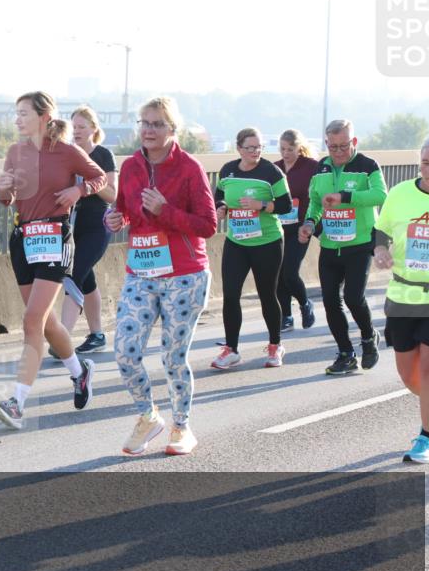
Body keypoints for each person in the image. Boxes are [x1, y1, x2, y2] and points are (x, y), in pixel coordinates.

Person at [104, 97, 217, 455]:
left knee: (172, 356)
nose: (148, 130)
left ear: (172, 130)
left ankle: (181, 428)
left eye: (157, 124)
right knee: (124, 350)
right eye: (144, 123)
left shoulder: (189, 168)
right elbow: (124, 208)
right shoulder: (132, 165)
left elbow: (208, 225)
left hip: (185, 274)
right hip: (142, 271)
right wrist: (115, 218)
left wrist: (166, 211)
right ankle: (148, 415)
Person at [0, 91, 108, 430]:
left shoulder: (68, 151)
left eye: (23, 113)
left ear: (43, 116)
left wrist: (78, 191)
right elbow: (7, 200)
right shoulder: (16, 152)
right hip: (24, 239)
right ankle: (79, 372)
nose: (17, 120)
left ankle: (17, 402)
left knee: (31, 320)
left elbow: (100, 178)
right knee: (44, 321)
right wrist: (3, 188)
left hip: (55, 239)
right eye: (16, 113)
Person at [373, 131, 429, 463]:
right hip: (403, 295)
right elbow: (382, 230)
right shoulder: (401, 194)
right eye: (426, 163)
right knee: (409, 375)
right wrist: (380, 250)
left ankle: (426, 438)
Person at [299, 119, 387, 375]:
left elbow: (381, 195)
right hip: (330, 245)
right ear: (326, 144)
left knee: (352, 297)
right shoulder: (321, 169)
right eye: (332, 147)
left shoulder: (367, 166)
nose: (338, 152)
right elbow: (315, 202)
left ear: (354, 142)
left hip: (359, 244)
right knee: (329, 301)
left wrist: (345, 197)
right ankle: (346, 353)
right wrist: (309, 223)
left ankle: (369, 338)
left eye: (343, 146)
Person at [211, 127, 293, 369]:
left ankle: (275, 345)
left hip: (267, 241)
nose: (255, 152)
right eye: (250, 148)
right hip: (237, 241)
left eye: (259, 147)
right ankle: (232, 350)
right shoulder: (228, 170)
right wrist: (222, 207)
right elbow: (219, 196)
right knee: (231, 294)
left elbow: (286, 205)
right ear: (239, 148)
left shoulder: (271, 172)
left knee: (267, 294)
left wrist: (262, 204)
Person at [49, 106, 118, 356]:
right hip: (71, 225)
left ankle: (62, 339)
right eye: (74, 127)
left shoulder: (102, 155)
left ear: (94, 129)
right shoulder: (68, 154)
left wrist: (88, 182)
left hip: (97, 223)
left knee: (73, 274)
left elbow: (112, 194)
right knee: (87, 280)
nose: (76, 131)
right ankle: (97, 335)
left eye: (82, 127)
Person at [275, 129, 319, 332]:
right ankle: (286, 316)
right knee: (278, 274)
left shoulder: (312, 167)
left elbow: (317, 195)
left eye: (290, 149)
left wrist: (310, 222)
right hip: (278, 229)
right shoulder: (274, 168)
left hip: (301, 227)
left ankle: (304, 303)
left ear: (299, 148)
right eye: (283, 149)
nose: (286, 153)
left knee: (290, 272)